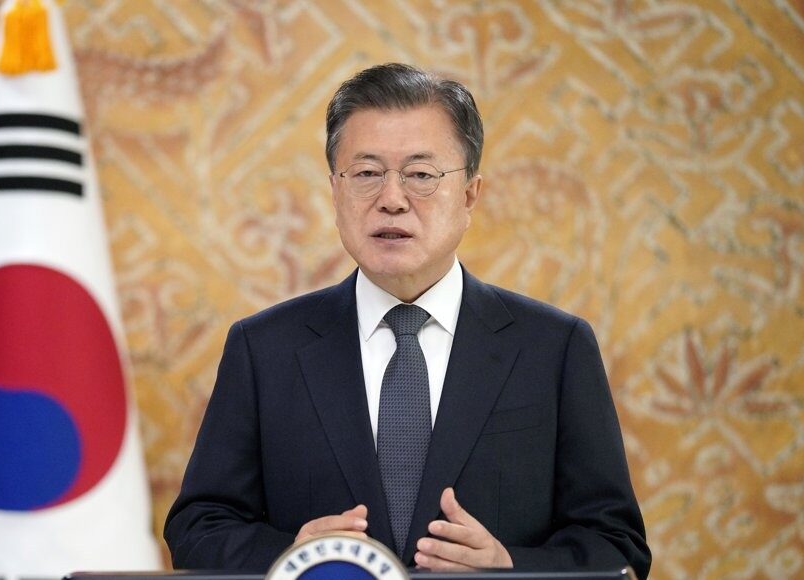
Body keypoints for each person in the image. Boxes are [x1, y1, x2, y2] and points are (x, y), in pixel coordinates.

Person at [164, 63, 650, 578]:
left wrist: (509, 567)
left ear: (469, 195)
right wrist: (295, 559)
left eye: (420, 175)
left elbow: (616, 545)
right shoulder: (264, 349)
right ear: (335, 192)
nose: (392, 200)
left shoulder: (554, 349)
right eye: (366, 174)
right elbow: (199, 528)